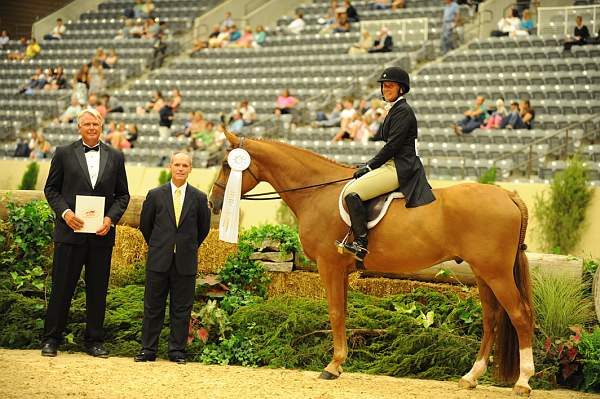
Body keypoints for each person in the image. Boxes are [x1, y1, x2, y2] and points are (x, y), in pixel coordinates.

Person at [41, 108, 130, 358]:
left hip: (101, 235)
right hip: (70, 234)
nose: (92, 128)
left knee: (98, 290)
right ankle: (51, 339)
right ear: (79, 127)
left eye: (96, 124)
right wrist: (66, 214)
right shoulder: (63, 153)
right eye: (87, 124)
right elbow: (51, 189)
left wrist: (110, 219)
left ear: (102, 127)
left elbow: (123, 195)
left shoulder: (116, 156)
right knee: (62, 288)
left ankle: (94, 341)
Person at [340, 67, 435, 262]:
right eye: (383, 86)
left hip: (400, 167)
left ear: (401, 88)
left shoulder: (403, 112)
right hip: (394, 163)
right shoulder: (395, 110)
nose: (385, 89)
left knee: (352, 194)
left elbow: (393, 146)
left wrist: (370, 166)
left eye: (390, 86)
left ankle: (361, 244)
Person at [135, 151, 210, 364]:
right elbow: (145, 225)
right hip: (159, 260)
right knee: (152, 307)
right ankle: (148, 349)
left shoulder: (199, 197)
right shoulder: (155, 195)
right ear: (170, 166)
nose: (180, 168)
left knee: (181, 308)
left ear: (190, 169)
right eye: (177, 164)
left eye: (184, 165)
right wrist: (161, 246)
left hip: (185, 263)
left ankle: (177, 351)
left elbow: (202, 229)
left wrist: (187, 247)